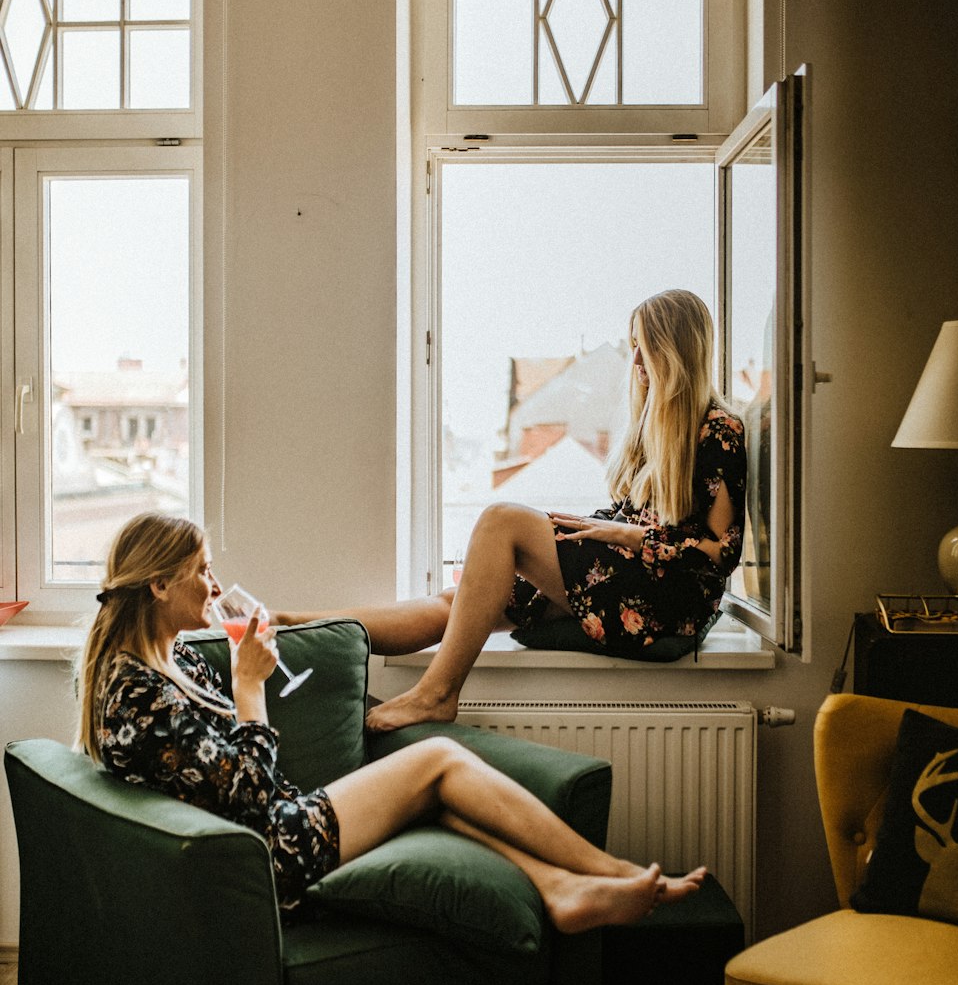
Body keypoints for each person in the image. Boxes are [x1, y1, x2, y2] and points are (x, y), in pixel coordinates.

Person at [77, 512, 707, 922]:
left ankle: (559, 887)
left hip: (275, 825)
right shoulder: (133, 695)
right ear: (158, 586)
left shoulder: (179, 658)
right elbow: (250, 794)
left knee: (440, 793)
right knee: (436, 758)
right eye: (201, 572)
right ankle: (609, 869)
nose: (215, 587)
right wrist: (251, 690)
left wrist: (260, 662)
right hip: (261, 855)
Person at [280, 289, 747, 733]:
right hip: (626, 576)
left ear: (677, 350)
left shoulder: (719, 430)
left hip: (663, 600)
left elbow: (720, 553)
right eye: (635, 348)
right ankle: (298, 625)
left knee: (502, 520)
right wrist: (584, 528)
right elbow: (627, 514)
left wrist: (623, 537)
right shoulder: (656, 430)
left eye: (645, 348)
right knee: (457, 602)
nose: (637, 362)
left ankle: (438, 692)